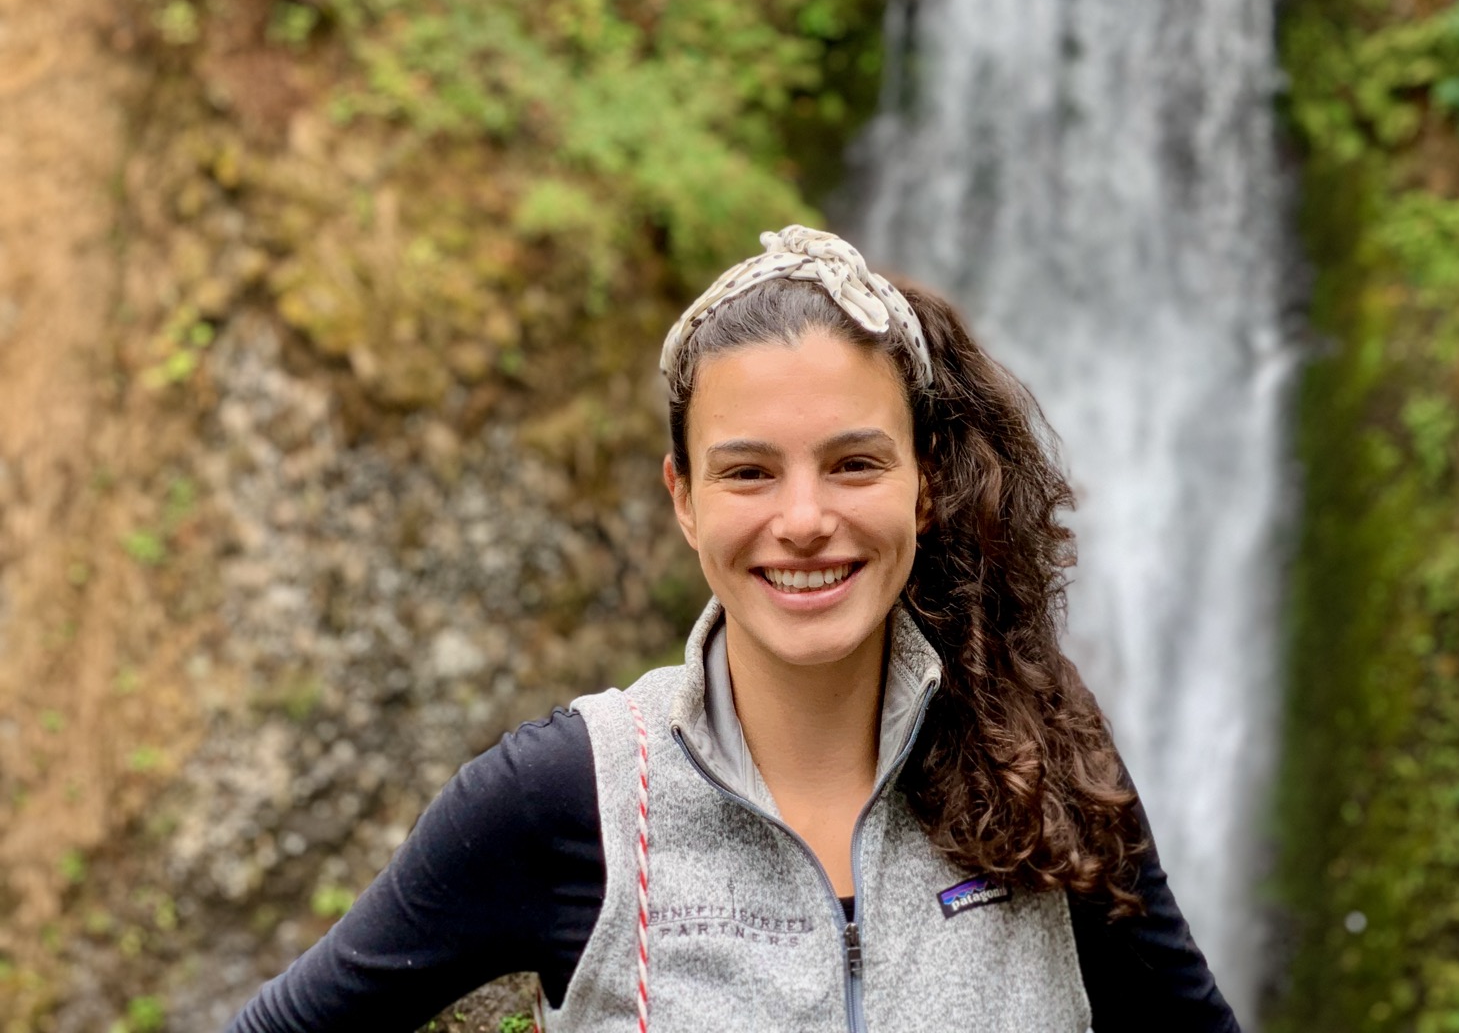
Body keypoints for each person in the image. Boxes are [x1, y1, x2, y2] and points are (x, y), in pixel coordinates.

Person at [226, 225, 1243, 1031]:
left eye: (854, 463)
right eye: (748, 471)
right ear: (684, 499)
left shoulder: (1038, 756)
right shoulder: (567, 797)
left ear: (926, 483)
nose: (803, 519)